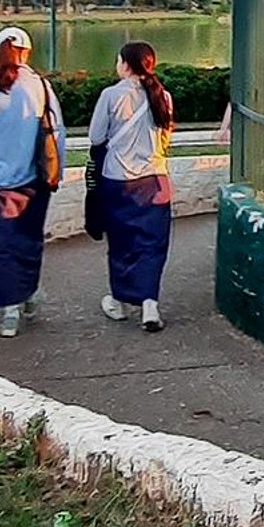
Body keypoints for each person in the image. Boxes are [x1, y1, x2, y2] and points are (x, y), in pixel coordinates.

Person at [0, 26, 65, 337]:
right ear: (27, 52)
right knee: (28, 240)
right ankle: (28, 292)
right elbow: (56, 131)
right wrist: (56, 171)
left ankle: (9, 311)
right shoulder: (40, 87)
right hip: (33, 179)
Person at [88, 39, 175, 331]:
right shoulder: (163, 96)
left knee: (121, 242)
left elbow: (96, 137)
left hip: (118, 179)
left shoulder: (111, 95)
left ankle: (119, 300)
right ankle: (150, 304)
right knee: (152, 243)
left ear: (126, 65)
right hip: (154, 180)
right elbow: (165, 139)